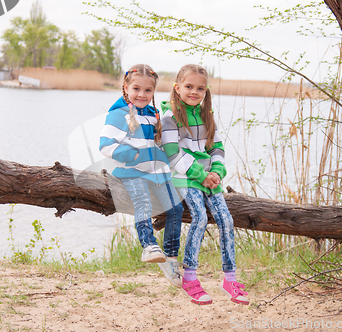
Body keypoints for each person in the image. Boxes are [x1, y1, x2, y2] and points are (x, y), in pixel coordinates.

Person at [160, 64, 249, 305]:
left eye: (200, 88)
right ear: (177, 88)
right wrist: (201, 174)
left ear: (206, 91)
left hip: (209, 178)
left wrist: (217, 170)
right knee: (199, 217)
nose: (194, 92)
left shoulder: (205, 115)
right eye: (189, 87)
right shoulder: (170, 117)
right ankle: (190, 277)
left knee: (226, 220)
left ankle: (229, 279)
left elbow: (216, 147)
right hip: (186, 176)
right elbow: (172, 153)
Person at [99, 64, 183, 287]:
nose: (142, 95)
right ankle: (149, 246)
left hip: (157, 171)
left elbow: (156, 141)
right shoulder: (118, 114)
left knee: (176, 208)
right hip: (132, 170)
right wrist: (132, 155)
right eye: (136, 89)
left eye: (148, 91)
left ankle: (171, 257)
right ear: (126, 88)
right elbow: (105, 145)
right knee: (143, 203)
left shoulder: (153, 115)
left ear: (153, 92)